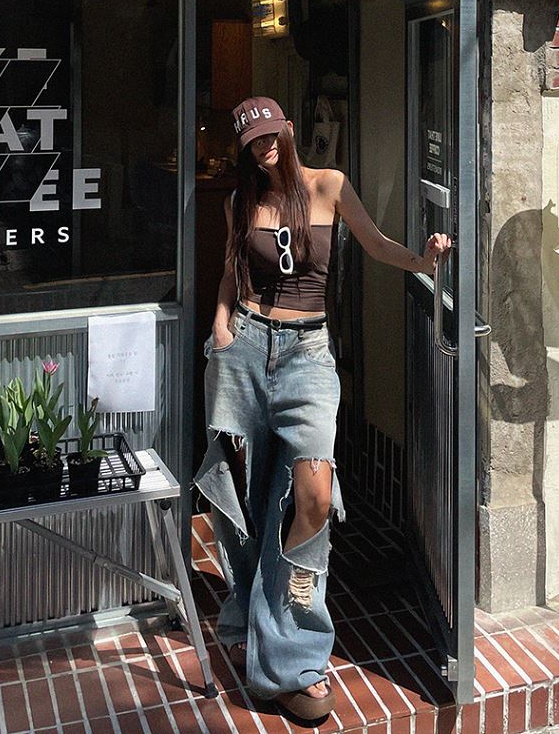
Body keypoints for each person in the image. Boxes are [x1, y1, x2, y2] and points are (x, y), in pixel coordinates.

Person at [194, 96, 451, 723]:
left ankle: (291, 646)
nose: (265, 148)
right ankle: (259, 630)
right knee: (243, 498)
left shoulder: (329, 185)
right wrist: (221, 326)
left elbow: (376, 244)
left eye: (271, 135)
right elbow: (231, 272)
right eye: (253, 142)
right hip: (245, 349)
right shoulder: (240, 201)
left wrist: (423, 261)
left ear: (288, 130)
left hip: (308, 355)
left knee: (313, 498)